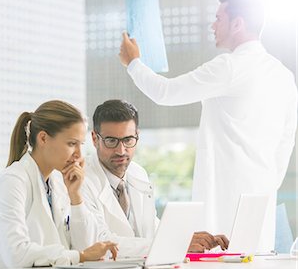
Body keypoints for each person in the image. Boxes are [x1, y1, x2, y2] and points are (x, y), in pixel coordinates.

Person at [119, 0, 297, 251]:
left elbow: (165, 92)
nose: (212, 25)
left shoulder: (230, 67)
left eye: (218, 18)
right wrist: (268, 182)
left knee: (221, 260)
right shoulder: (283, 75)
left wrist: (133, 63)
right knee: (255, 262)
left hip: (225, 199)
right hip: (261, 199)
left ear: (237, 24)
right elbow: (287, 139)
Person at [0, 100, 117, 269]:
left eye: (81, 145)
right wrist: (79, 256)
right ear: (43, 138)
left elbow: (87, 246)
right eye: (71, 144)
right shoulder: (12, 181)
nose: (79, 155)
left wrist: (76, 197)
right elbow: (17, 254)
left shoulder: (58, 182)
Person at [81, 99, 229, 257]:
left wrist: (188, 239)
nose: (121, 150)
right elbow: (99, 242)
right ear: (95, 139)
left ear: (137, 136)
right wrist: (176, 243)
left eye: (128, 140)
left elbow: (152, 227)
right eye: (111, 141)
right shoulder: (81, 181)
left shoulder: (138, 174)